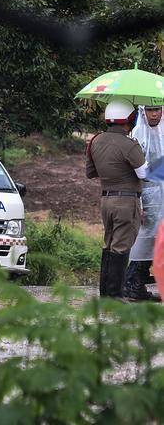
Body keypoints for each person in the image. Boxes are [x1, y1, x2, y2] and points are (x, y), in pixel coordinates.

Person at [86, 99, 148, 297]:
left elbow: (90, 172)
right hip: (126, 201)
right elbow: (144, 174)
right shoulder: (129, 144)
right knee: (121, 245)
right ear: (131, 119)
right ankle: (114, 294)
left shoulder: (95, 140)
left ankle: (105, 291)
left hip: (106, 200)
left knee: (109, 242)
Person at [124, 106, 164, 300]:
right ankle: (133, 283)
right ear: (143, 112)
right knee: (145, 239)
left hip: (162, 194)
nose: (154, 114)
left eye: (157, 110)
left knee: (159, 240)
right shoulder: (137, 135)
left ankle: (140, 282)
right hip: (147, 196)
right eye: (150, 110)